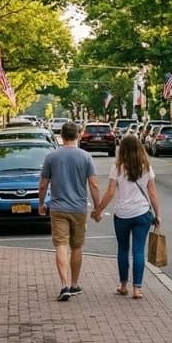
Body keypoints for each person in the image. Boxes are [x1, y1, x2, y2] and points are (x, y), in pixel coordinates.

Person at [38, 121, 101, 302]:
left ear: (62, 136)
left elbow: (43, 185)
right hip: (79, 208)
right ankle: (74, 284)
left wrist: (41, 203)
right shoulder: (85, 157)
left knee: (60, 246)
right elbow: (94, 184)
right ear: (78, 136)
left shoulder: (51, 157)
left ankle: (64, 284)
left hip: (58, 208)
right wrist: (97, 207)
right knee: (77, 246)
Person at [92, 134, 160, 300]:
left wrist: (99, 209)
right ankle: (137, 289)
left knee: (123, 249)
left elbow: (110, 192)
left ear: (121, 149)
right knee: (138, 250)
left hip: (122, 214)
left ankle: (123, 285)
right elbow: (152, 192)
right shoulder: (146, 166)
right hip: (142, 213)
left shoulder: (118, 167)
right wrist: (158, 214)